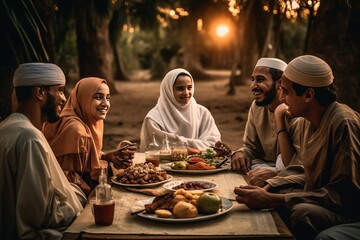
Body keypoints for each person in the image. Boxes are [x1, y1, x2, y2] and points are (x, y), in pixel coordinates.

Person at [234, 55, 360, 240]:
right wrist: (269, 187)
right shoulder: (307, 122)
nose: (282, 98)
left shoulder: (343, 124)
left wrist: (274, 199)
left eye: (285, 91)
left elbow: (346, 195)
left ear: (308, 95)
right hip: (321, 198)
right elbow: (303, 172)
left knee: (302, 213)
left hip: (350, 209)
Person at [0, 63, 84, 239]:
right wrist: (77, 200)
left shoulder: (7, 126)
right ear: (40, 92)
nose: (64, 98)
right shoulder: (30, 138)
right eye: (60, 90)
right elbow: (38, 217)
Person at [42, 77, 136, 196]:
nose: (105, 104)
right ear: (83, 99)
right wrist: (98, 194)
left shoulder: (85, 120)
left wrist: (107, 156)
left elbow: (84, 160)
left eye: (107, 98)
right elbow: (70, 179)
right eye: (98, 97)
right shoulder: (77, 131)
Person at [231, 58, 303, 187]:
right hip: (259, 169)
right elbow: (252, 148)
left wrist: (276, 175)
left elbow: (299, 166)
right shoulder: (256, 107)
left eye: (260, 79)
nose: (253, 86)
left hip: (291, 179)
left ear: (280, 82)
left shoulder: (296, 112)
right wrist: (240, 152)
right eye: (252, 79)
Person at [139, 68, 221, 152]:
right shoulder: (154, 119)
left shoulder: (203, 113)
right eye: (180, 88)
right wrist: (199, 145)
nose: (186, 92)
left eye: (189, 87)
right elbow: (155, 149)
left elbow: (214, 143)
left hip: (202, 163)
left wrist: (179, 145)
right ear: (168, 90)